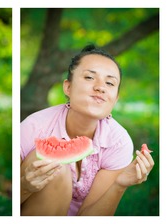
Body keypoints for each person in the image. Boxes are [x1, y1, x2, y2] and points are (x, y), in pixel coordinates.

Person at [20, 44, 155, 216]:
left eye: (110, 83)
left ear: (115, 99)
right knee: (56, 166)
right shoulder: (33, 127)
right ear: (68, 88)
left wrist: (119, 185)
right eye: (90, 77)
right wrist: (24, 186)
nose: (101, 87)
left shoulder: (118, 142)